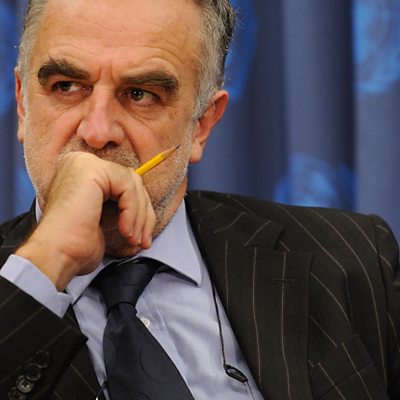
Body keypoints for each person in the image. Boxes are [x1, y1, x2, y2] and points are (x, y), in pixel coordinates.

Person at [0, 0, 399, 399]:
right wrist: (49, 259)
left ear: (203, 124)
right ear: (22, 105)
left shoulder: (353, 258)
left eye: (140, 94)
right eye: (66, 87)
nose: (98, 131)